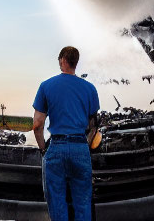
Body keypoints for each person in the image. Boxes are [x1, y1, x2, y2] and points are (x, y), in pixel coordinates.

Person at [33, 46, 100, 221]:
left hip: (56, 148)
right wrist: (85, 145)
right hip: (80, 148)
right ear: (75, 63)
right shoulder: (90, 88)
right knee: (83, 204)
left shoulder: (46, 86)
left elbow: (37, 125)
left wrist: (43, 150)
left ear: (62, 60)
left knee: (57, 204)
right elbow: (93, 126)